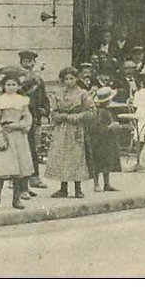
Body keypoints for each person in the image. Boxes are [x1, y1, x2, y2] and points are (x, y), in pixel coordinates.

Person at [0, 70, 34, 211]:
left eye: (14, 84)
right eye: (8, 84)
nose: (11, 87)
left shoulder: (22, 101)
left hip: (18, 136)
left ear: (18, 86)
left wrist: (18, 125)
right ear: (3, 86)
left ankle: (16, 199)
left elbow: (27, 118)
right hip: (4, 135)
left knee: (18, 171)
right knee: (2, 170)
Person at [45, 67, 95, 199]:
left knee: (76, 156)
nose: (69, 81)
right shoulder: (59, 94)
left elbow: (92, 112)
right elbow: (53, 111)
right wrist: (61, 116)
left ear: (77, 79)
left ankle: (78, 188)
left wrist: (78, 117)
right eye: (66, 79)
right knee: (63, 157)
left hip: (77, 129)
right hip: (62, 129)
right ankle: (63, 188)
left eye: (71, 78)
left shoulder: (83, 94)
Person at [17, 49, 49, 189]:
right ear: (21, 63)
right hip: (19, 117)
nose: (28, 64)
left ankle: (34, 177)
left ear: (34, 63)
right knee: (19, 147)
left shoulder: (38, 80)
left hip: (34, 116)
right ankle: (17, 179)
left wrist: (45, 110)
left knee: (33, 148)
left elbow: (44, 97)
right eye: (25, 61)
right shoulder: (16, 79)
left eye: (30, 61)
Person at [87, 87, 122, 193]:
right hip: (99, 140)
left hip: (107, 139)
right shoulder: (100, 113)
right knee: (98, 161)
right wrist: (110, 127)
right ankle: (97, 184)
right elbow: (96, 127)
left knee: (107, 161)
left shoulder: (106, 111)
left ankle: (106, 184)